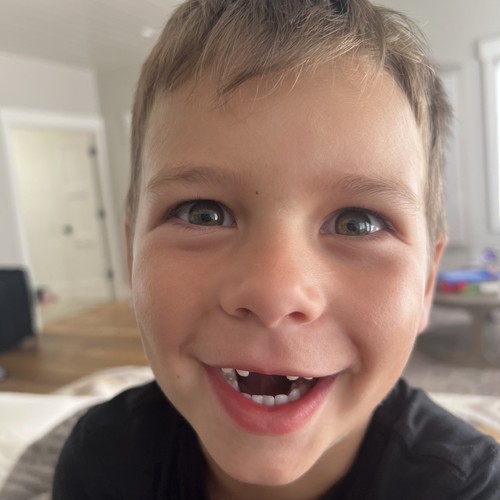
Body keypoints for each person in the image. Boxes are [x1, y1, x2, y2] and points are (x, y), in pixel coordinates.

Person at [53, 0, 500, 498]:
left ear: (426, 284)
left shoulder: (465, 488)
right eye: (203, 213)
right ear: (132, 259)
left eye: (357, 223)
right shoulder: (103, 459)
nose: (274, 294)